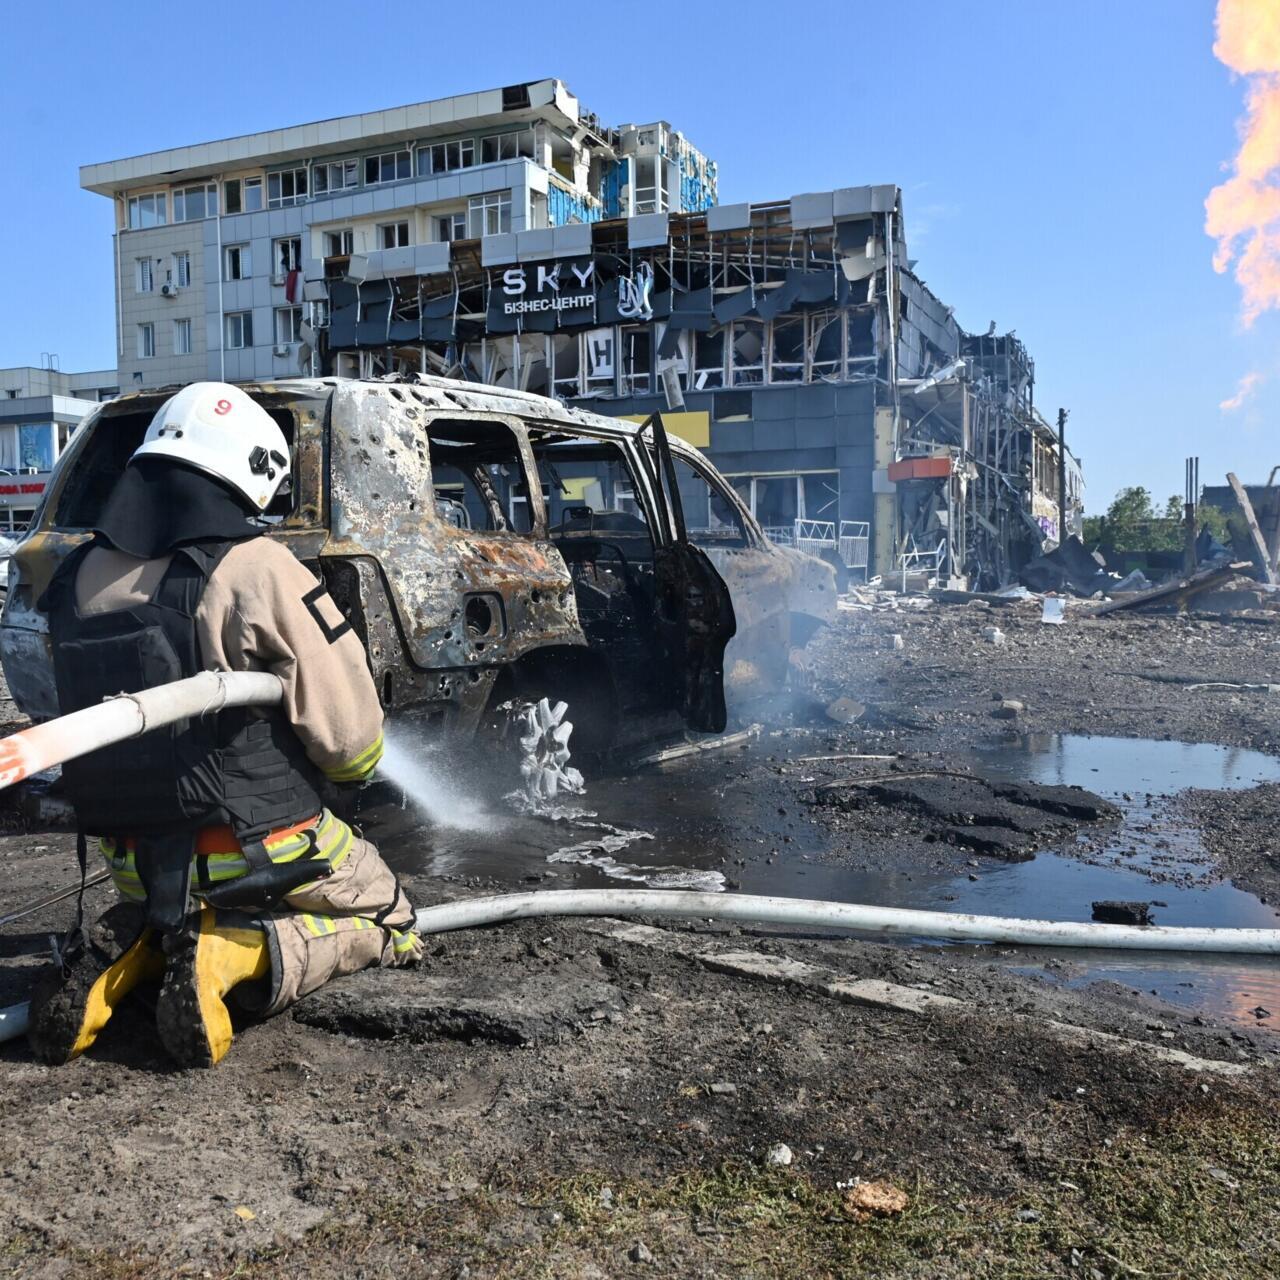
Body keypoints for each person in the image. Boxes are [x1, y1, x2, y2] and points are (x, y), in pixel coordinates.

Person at [27, 381, 421, 1068]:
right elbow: (350, 742)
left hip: (134, 860)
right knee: (390, 915)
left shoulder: (75, 575)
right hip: (256, 846)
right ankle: (240, 951)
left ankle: (134, 957)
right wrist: (346, 772)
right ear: (246, 472)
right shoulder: (257, 567)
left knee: (166, 907)